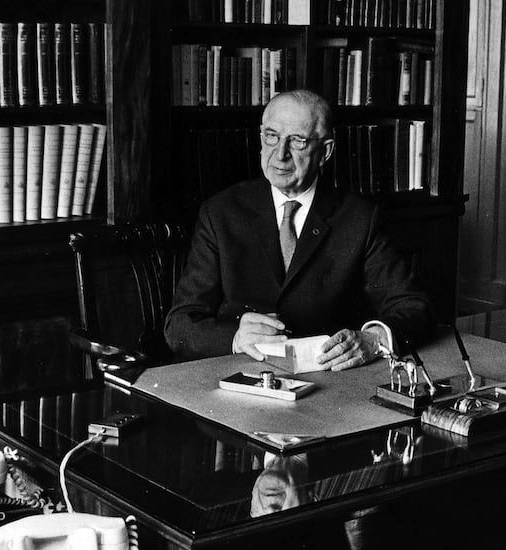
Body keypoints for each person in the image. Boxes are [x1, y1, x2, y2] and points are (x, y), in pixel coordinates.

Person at [164, 89, 433, 370]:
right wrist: (234, 338)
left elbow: (413, 307)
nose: (280, 155)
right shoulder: (220, 213)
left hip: (329, 379)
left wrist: (373, 339)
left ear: (325, 151)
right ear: (260, 139)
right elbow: (180, 324)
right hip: (240, 374)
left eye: (298, 141)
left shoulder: (360, 217)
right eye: (271, 136)